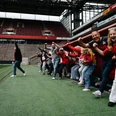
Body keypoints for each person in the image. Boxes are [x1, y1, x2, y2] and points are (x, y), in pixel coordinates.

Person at [92, 28, 116, 97]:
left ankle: (101, 91)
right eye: (110, 34)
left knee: (106, 74)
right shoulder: (110, 45)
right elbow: (103, 53)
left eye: (114, 34)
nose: (112, 35)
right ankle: (103, 90)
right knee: (105, 74)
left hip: (111, 60)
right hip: (107, 60)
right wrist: (96, 48)